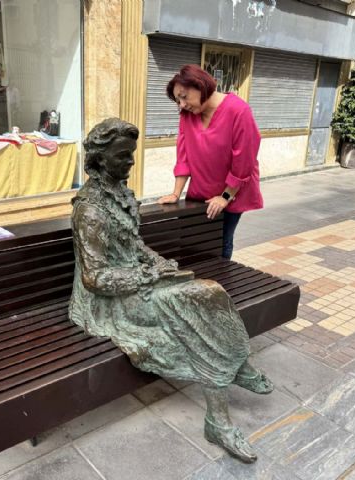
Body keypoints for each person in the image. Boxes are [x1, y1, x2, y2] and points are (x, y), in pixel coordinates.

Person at [69, 118, 273, 463]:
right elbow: (95, 278)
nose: (131, 162)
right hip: (109, 302)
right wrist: (149, 277)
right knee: (197, 309)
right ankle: (219, 419)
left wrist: (159, 262)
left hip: (137, 281)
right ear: (101, 160)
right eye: (123, 156)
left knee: (213, 293)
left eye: (131, 154)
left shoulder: (119, 194)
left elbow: (135, 247)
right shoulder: (90, 209)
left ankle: (238, 364)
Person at [158, 64, 263, 260]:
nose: (181, 104)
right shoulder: (187, 115)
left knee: (221, 240)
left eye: (184, 96)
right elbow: (183, 156)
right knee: (192, 240)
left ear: (200, 85)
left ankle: (220, 284)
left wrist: (225, 196)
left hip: (232, 193)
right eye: (177, 99)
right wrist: (175, 193)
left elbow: (244, 161)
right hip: (201, 191)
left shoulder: (238, 111)